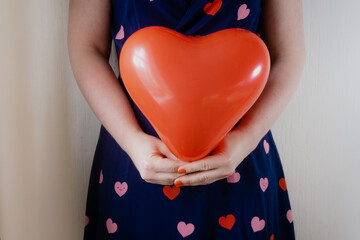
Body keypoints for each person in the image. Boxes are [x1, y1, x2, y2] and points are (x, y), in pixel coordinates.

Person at [68, 0, 305, 239]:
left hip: (239, 160)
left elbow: (286, 54)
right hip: (134, 158)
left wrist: (246, 139)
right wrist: (132, 141)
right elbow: (88, 49)